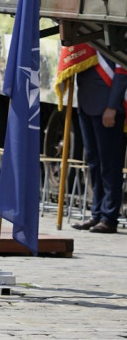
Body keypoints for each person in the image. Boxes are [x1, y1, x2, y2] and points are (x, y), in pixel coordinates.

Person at [71, 57, 127, 234]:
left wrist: (112, 106)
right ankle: (97, 213)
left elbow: (122, 70)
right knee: (94, 163)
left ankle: (109, 217)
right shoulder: (84, 36)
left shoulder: (113, 38)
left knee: (109, 164)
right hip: (86, 104)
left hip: (107, 108)